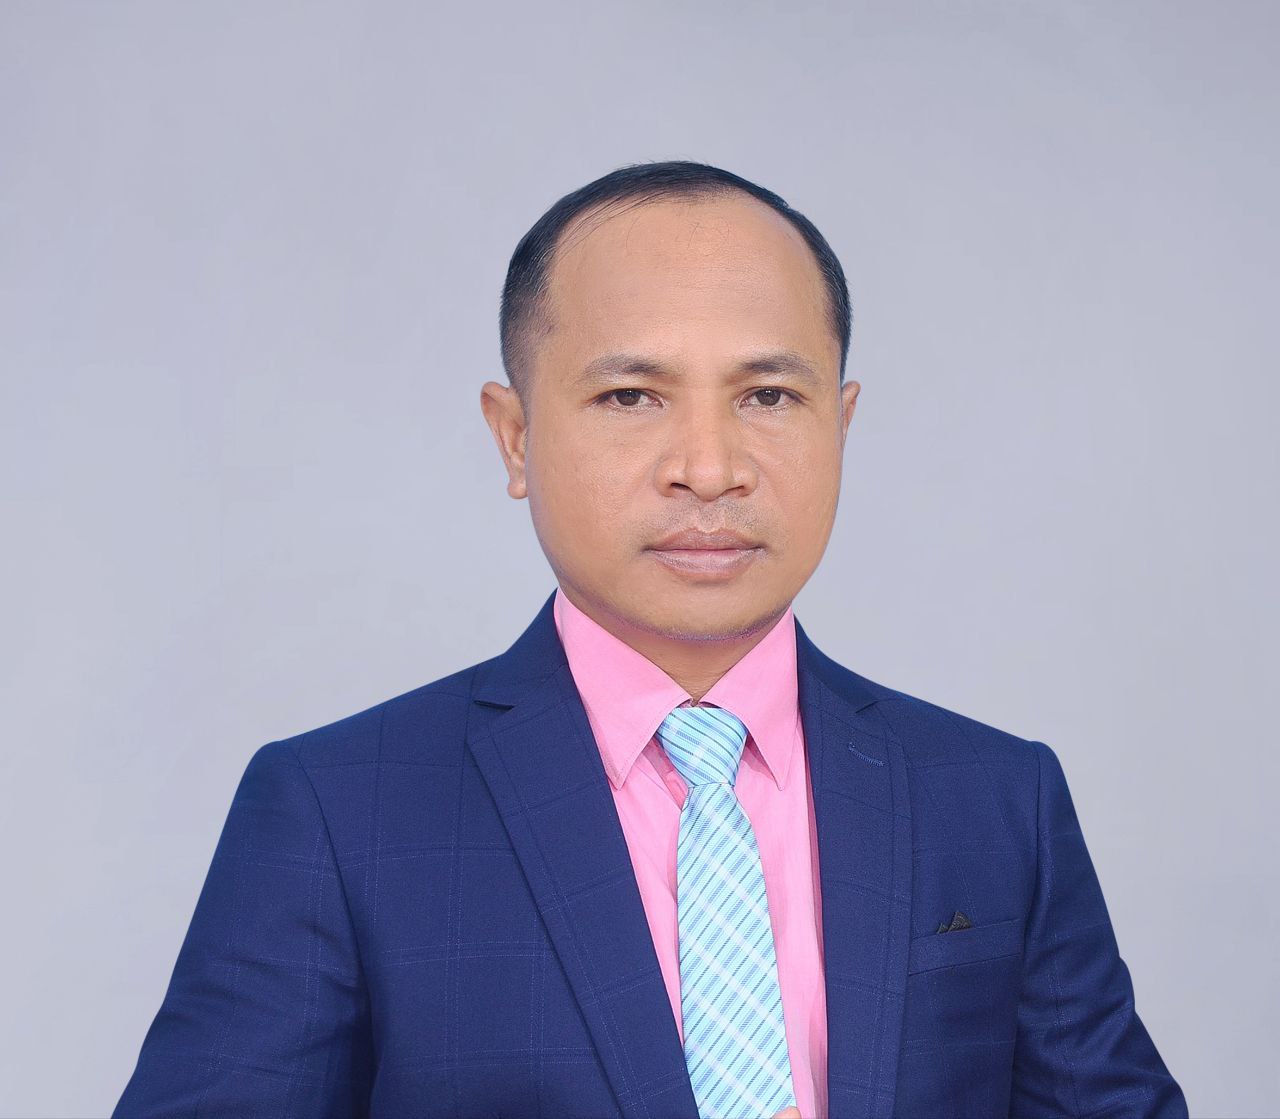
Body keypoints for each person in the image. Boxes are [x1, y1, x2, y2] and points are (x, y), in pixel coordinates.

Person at [113, 160, 1187, 1118]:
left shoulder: (992, 799)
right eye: (631, 395)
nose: (708, 467)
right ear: (515, 436)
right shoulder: (339, 811)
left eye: (768, 394)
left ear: (841, 422)